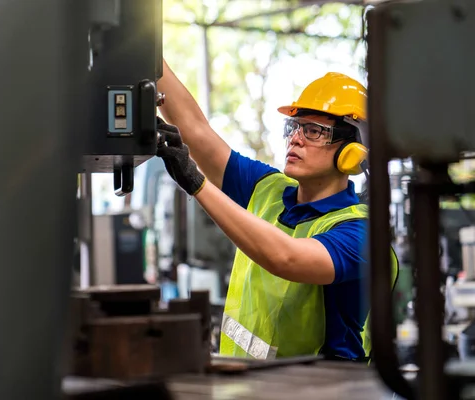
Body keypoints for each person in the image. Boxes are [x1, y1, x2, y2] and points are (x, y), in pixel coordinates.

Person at [156, 59, 398, 361]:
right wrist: (149, 52)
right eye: (294, 127)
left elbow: (287, 258)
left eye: (313, 131)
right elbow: (195, 132)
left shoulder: (361, 232)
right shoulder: (267, 189)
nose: (295, 138)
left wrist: (196, 183)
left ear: (352, 152)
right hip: (249, 387)